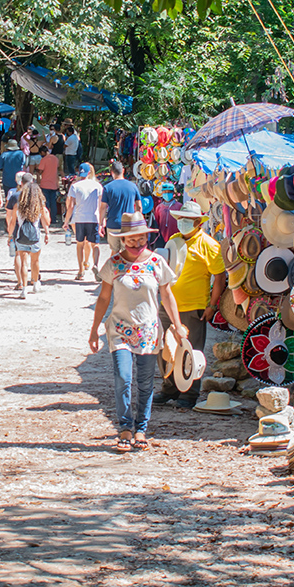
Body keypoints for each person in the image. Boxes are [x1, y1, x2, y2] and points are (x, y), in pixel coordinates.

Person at [90, 212, 186, 452]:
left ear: (147, 238)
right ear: (122, 240)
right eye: (130, 240)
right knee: (123, 377)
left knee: (145, 383)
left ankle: (141, 429)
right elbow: (103, 298)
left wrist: (177, 325)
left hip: (149, 331)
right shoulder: (113, 265)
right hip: (119, 330)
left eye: (140, 239)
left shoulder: (156, 263)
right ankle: (124, 427)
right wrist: (94, 330)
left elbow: (167, 295)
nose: (135, 244)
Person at [154, 201, 224, 410]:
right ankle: (170, 388)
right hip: (168, 305)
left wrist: (212, 305)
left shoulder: (209, 245)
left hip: (194, 307)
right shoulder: (173, 241)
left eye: (188, 220)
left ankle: (190, 393)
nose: (184, 223)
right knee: (165, 349)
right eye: (181, 220)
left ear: (197, 222)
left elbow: (219, 277)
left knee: (191, 351)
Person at [6, 172, 49, 298]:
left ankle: (24, 288)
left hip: (21, 236)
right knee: (35, 261)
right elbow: (45, 220)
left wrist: (10, 236)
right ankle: (35, 283)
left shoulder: (17, 205)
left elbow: (13, 222)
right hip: (35, 236)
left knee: (24, 262)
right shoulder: (38, 204)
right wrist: (47, 232)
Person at [65, 163, 103, 281]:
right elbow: (101, 205)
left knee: (80, 244)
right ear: (89, 173)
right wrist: (102, 221)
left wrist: (66, 221)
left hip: (79, 219)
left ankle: (81, 271)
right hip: (94, 218)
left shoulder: (75, 186)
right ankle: (95, 264)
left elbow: (70, 206)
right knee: (95, 244)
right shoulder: (97, 186)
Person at [99, 160, 142, 239]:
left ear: (112, 172)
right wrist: (138, 222)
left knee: (114, 250)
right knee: (127, 250)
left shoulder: (107, 188)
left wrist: (101, 223)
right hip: (129, 224)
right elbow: (139, 206)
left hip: (113, 224)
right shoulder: (133, 186)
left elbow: (103, 208)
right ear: (123, 170)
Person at [36, 145, 61, 227]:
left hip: (45, 183)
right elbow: (57, 169)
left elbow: (40, 171)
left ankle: (46, 219)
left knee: (45, 203)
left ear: (42, 152)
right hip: (54, 183)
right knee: (53, 202)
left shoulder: (44, 160)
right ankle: (53, 219)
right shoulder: (55, 159)